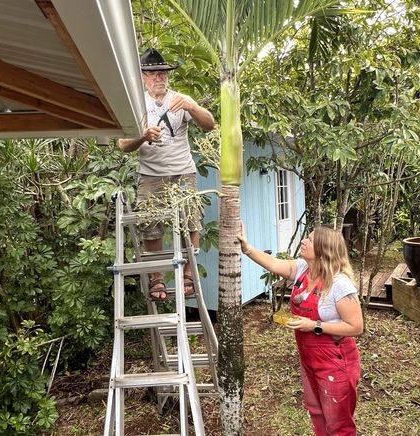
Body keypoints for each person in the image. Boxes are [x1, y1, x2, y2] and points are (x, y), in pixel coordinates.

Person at [238, 225, 364, 435]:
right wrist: (247, 248)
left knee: (338, 423)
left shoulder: (340, 284)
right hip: (309, 358)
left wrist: (314, 325)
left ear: (324, 250)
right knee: (317, 411)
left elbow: (356, 326)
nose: (304, 241)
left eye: (311, 240)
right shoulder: (303, 269)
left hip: (336, 361)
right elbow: (274, 263)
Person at [118, 48, 215, 301]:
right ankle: (158, 280)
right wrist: (143, 136)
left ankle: (188, 276)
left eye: (162, 72)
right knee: (150, 225)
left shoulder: (180, 100)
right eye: (152, 73)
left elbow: (209, 124)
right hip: (150, 174)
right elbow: (123, 144)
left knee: (191, 219)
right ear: (143, 76)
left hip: (183, 171)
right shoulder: (135, 104)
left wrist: (193, 106)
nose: (158, 77)